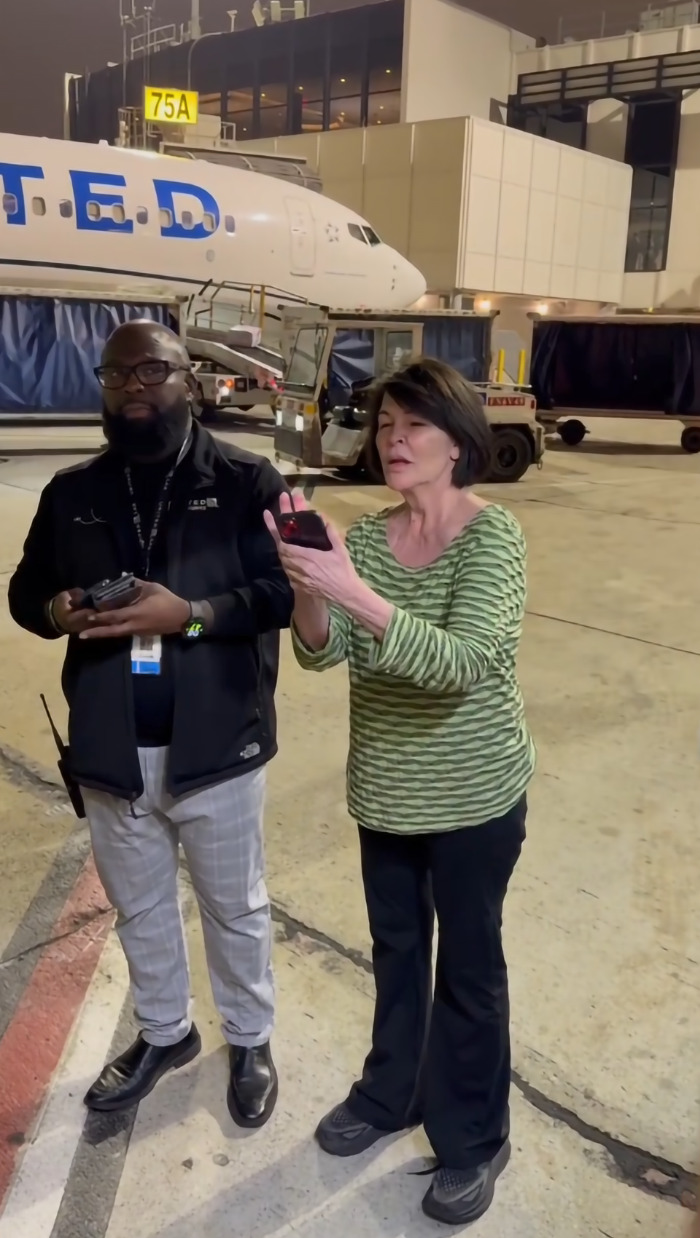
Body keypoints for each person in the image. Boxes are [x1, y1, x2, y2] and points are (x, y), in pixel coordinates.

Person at [264, 358, 535, 1226]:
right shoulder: (371, 539)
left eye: (412, 426)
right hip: (385, 796)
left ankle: (474, 1138)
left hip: (474, 801)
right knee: (396, 956)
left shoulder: (495, 539)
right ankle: (391, 1097)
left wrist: (353, 592)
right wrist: (311, 588)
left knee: (468, 969)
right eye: (385, 426)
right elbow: (320, 650)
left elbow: (463, 663)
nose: (393, 440)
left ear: (457, 443)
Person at [9, 320, 293, 1128]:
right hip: (111, 746)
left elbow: (280, 596)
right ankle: (166, 1033)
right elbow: (26, 592)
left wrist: (191, 617)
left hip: (219, 745)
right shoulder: (73, 493)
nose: (134, 388)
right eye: (117, 376)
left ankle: (251, 1038)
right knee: (139, 905)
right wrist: (56, 611)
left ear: (189, 380)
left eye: (152, 372)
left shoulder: (248, 481)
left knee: (234, 905)